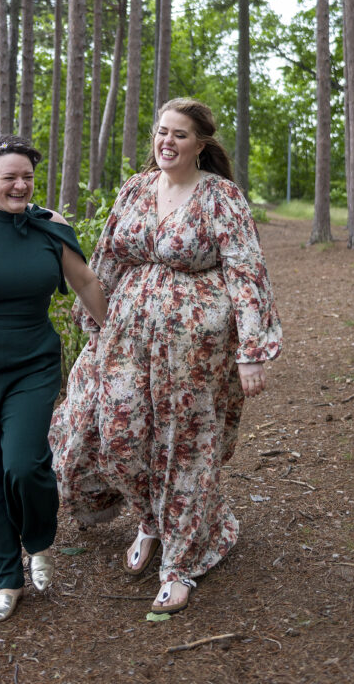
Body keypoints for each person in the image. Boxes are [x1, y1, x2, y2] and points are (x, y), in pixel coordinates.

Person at [51, 98, 282, 615]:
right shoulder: (135, 188)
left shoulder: (222, 197)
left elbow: (247, 272)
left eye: (179, 134)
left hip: (193, 350)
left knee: (182, 443)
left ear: (200, 143)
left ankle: (181, 558)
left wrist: (252, 351)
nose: (167, 142)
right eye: (161, 132)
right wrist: (93, 326)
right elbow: (107, 257)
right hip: (125, 340)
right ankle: (151, 518)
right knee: (119, 434)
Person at [0, 134, 107, 624]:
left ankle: (40, 542)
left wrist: (115, 336)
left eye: (27, 177)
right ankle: (7, 579)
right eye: (9, 177)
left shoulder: (52, 227)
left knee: (25, 465)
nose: (20, 185)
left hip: (32, 363)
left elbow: (87, 282)